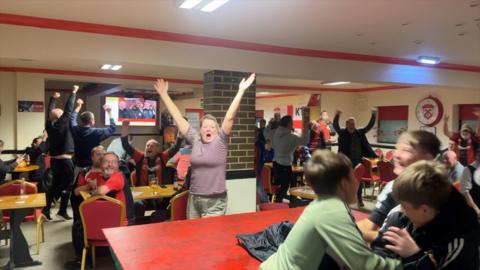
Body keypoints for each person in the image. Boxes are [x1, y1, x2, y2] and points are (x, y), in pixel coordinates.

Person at [260, 150, 401, 270]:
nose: (357, 182)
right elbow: (365, 265)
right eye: (353, 177)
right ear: (344, 184)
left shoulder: (324, 204)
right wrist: (408, 264)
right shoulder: (331, 211)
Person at [155, 73, 255, 219]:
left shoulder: (221, 141)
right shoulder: (195, 140)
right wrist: (164, 95)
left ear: (218, 130)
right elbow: (178, 117)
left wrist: (241, 91)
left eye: (212, 127)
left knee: (210, 238)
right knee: (194, 237)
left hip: (215, 201)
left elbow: (229, 116)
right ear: (200, 130)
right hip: (194, 198)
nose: (208, 129)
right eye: (205, 127)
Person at [378, 161, 479, 269]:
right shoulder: (400, 214)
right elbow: (379, 251)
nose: (401, 211)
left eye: (404, 206)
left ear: (424, 210)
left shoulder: (461, 240)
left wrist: (414, 256)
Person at [357, 130, 441, 243]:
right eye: (397, 149)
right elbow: (372, 223)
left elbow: (413, 243)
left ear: (427, 159)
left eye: (406, 150)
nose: (396, 155)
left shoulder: (438, 195)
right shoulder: (393, 187)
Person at [120, 121, 181, 219]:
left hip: (161, 196)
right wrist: (124, 127)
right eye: (147, 146)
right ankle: (139, 227)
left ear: (157, 149)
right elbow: (126, 145)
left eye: (152, 146)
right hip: (144, 196)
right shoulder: (140, 157)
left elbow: (176, 147)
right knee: (137, 205)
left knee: (173, 201)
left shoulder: (162, 157)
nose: (149, 147)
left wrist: (180, 130)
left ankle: (160, 224)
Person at [43, 86, 78, 221]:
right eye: (61, 113)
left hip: (55, 161)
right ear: (59, 117)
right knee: (68, 185)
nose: (64, 114)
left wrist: (53, 99)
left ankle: (46, 210)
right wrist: (73, 92)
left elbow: (49, 112)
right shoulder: (60, 125)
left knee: (54, 185)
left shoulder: (49, 125)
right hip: (65, 161)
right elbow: (68, 110)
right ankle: (62, 210)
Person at [333, 108, 377, 207]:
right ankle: (343, 199)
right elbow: (335, 125)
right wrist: (337, 115)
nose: (352, 126)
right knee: (344, 180)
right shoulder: (342, 132)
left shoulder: (359, 132)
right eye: (350, 124)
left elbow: (369, 126)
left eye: (353, 124)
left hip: (357, 161)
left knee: (359, 181)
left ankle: (359, 198)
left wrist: (374, 115)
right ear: (346, 125)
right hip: (345, 161)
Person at [268, 115, 310, 203]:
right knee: (285, 186)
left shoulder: (275, 133)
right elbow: (305, 141)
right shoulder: (291, 137)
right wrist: (305, 127)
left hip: (276, 163)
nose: (292, 125)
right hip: (285, 165)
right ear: (288, 124)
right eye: (291, 123)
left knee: (290, 183)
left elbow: (267, 135)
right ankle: (279, 204)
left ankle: (289, 202)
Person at [71, 98, 116, 170]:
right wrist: (109, 112)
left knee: (78, 181)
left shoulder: (75, 129)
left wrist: (78, 106)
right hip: (93, 167)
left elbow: (72, 119)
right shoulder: (97, 132)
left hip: (78, 165)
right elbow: (112, 128)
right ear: (92, 121)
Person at [460, 149, 480, 216]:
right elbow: (465, 192)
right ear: (477, 156)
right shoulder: (468, 169)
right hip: (475, 207)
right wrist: (476, 209)